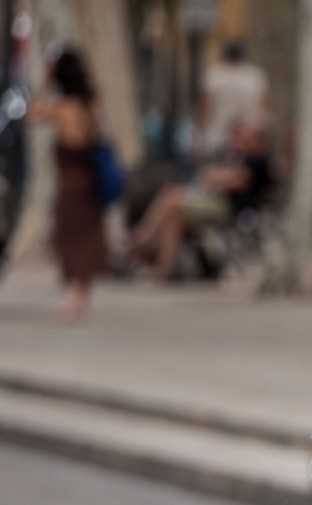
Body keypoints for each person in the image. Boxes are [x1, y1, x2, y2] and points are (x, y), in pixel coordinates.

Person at [126, 120, 274, 281]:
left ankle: (140, 241)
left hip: (229, 209)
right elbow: (213, 175)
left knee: (172, 199)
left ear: (260, 139)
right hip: (217, 201)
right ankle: (163, 270)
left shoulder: (259, 161)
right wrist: (218, 176)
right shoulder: (242, 157)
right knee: (174, 214)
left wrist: (218, 177)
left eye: (250, 136)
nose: (245, 139)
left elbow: (235, 181)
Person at [29, 47, 107, 321]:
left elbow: (32, 114)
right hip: (91, 185)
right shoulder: (92, 104)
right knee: (87, 240)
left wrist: (45, 82)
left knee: (70, 241)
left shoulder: (62, 107)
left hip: (70, 186)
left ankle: (73, 300)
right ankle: (81, 296)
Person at [195, 40, 267, 162]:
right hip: (247, 142)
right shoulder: (255, 77)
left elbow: (204, 109)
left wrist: (199, 139)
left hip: (216, 138)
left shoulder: (213, 76)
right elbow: (262, 109)